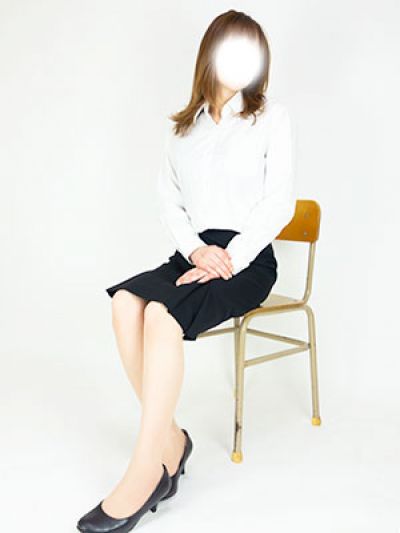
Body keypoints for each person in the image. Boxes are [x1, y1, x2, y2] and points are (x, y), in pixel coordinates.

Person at [77, 9, 296, 533]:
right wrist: (197, 251)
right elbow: (169, 202)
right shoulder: (183, 129)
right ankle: (171, 441)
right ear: (210, 56)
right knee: (125, 303)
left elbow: (279, 203)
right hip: (193, 253)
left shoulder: (271, 117)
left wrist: (230, 257)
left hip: (247, 259)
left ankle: (147, 470)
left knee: (161, 315)